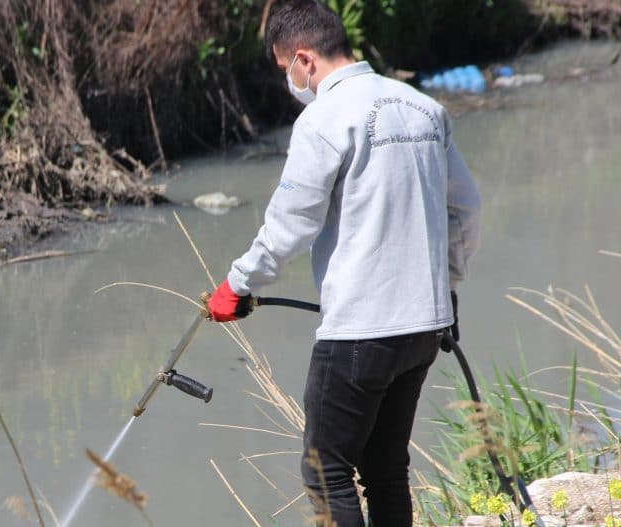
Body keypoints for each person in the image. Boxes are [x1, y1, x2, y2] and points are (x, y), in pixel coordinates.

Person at [205, 1, 481, 526]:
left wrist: (236, 283)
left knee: (326, 471)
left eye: (286, 67)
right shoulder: (424, 108)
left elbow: (291, 224)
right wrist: (446, 286)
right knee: (385, 469)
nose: (289, 80)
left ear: (304, 60)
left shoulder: (323, 120)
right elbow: (466, 210)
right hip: (424, 326)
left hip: (359, 334)